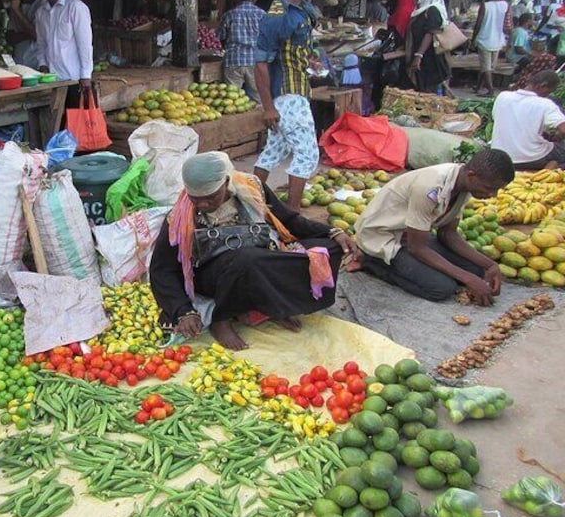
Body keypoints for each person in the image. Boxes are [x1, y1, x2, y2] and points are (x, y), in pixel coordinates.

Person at [149, 152, 358, 351]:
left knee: (326, 249)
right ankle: (221, 319)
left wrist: (331, 232)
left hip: (257, 259)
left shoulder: (252, 187)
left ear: (226, 183)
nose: (202, 204)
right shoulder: (179, 218)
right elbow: (163, 270)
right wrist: (183, 310)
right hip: (214, 275)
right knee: (247, 259)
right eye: (196, 198)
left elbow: (288, 220)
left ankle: (271, 307)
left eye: (210, 197)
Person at [349, 149, 515, 305]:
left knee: (477, 270)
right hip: (384, 238)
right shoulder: (430, 187)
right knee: (442, 288)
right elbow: (417, 248)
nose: (493, 195)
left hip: (412, 235)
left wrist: (490, 265)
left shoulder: (463, 185)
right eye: (490, 188)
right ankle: (369, 261)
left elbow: (448, 234)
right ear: (472, 176)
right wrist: (467, 279)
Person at [252, 0, 322, 212]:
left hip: (297, 89)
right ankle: (293, 215)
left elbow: (293, 49)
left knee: (273, 151)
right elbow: (260, 64)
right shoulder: (277, 17)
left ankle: (249, 204)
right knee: (307, 155)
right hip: (287, 96)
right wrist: (267, 107)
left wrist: (309, 61)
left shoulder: (301, 10)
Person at [35, 0, 94, 106]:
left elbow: (85, 45)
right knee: (57, 124)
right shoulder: (40, 12)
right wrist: (42, 64)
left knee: (74, 124)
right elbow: (41, 44)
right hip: (51, 81)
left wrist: (86, 76)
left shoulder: (75, 8)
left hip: (72, 79)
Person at [492, 70, 565, 169]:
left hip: (499, 156)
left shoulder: (503, 96)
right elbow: (563, 129)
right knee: (561, 150)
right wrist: (558, 136)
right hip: (530, 159)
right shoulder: (545, 104)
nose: (548, 95)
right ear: (542, 86)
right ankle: (543, 174)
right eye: (549, 92)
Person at [217, 0, 266, 100]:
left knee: (232, 101)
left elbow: (221, 36)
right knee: (258, 99)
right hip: (255, 61)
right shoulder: (262, 15)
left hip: (233, 60)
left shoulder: (230, 14)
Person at [407, 0, 451, 93]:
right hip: (422, 57)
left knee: (431, 91)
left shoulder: (433, 10)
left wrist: (419, 55)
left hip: (431, 58)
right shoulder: (419, 11)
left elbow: (430, 33)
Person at [471, 0, 508, 96]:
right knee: (489, 67)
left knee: (486, 68)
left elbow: (478, 23)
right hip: (498, 39)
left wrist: (473, 39)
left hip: (484, 39)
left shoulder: (485, 6)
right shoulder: (504, 5)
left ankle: (490, 90)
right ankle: (479, 87)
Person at [7, 0, 45, 69]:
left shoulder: (42, 5)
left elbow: (37, 35)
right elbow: (10, 37)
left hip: (36, 61)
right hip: (19, 61)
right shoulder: (16, 5)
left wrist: (17, 11)